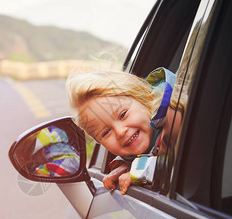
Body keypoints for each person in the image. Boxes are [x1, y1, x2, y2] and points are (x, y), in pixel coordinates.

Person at [66, 67, 184, 195]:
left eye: (122, 115)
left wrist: (137, 172)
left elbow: (177, 166)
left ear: (142, 98)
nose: (120, 131)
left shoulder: (175, 119)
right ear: (100, 143)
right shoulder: (131, 154)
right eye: (106, 133)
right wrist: (126, 165)